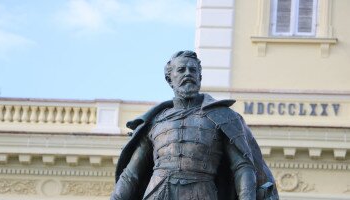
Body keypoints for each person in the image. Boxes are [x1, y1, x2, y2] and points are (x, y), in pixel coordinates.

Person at [110, 51, 278, 200]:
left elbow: (242, 166)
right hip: (158, 192)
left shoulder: (223, 117)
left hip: (201, 192)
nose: (188, 74)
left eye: (193, 70)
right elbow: (131, 175)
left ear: (200, 77)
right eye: (181, 70)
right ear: (170, 78)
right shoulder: (154, 122)